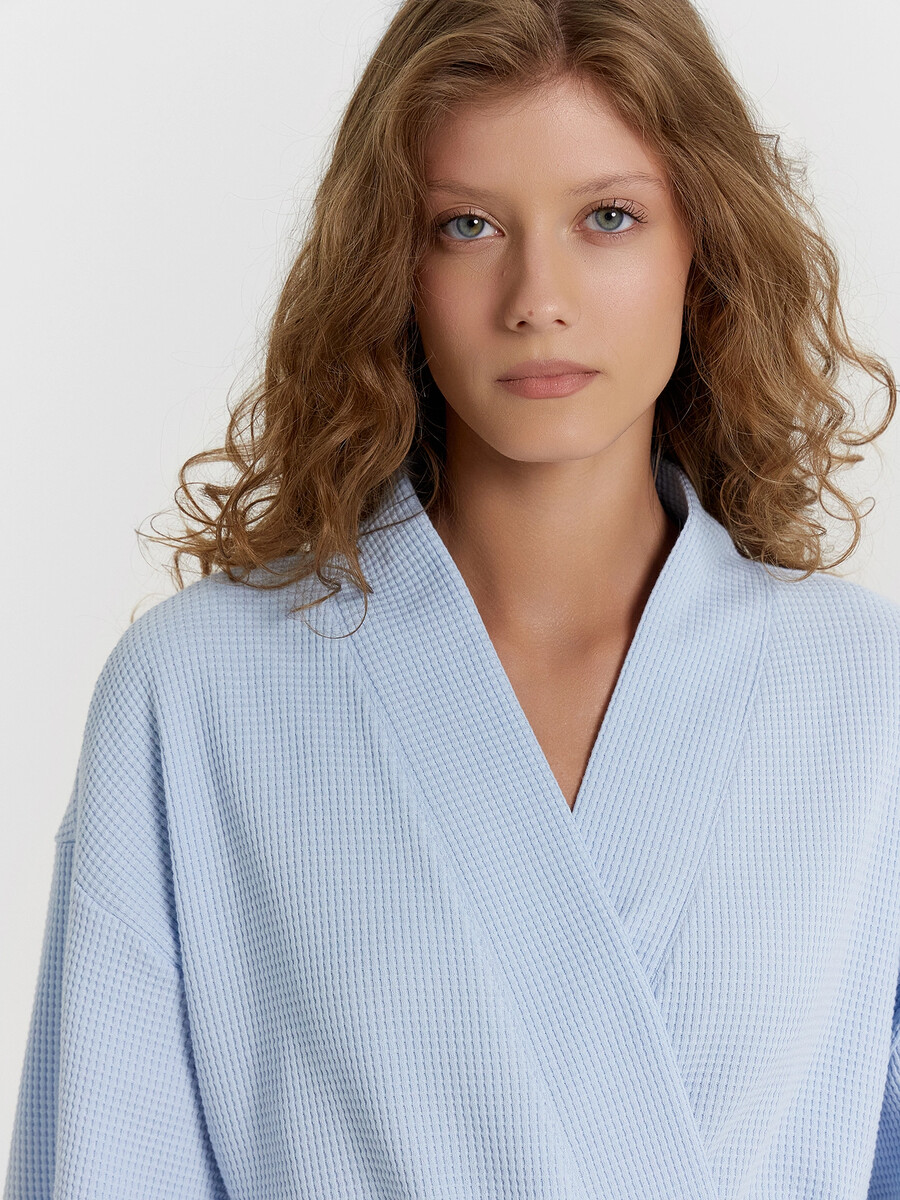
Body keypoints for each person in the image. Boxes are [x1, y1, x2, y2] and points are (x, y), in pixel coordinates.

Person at [5, 0, 899, 1196]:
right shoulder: (196, 694)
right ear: (396, 263)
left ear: (706, 242)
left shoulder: (864, 695)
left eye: (609, 216)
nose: (537, 296)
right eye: (468, 225)